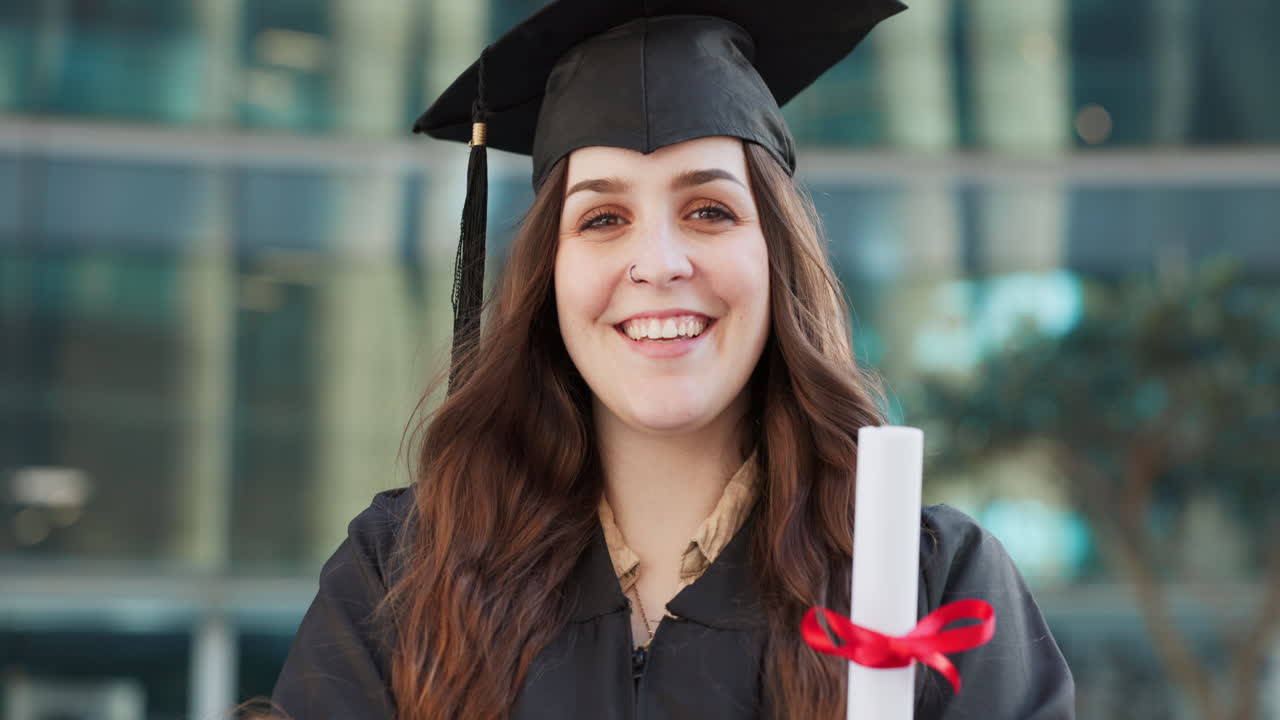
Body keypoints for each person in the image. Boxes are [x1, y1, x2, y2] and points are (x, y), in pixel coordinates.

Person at [272, 1, 1076, 718]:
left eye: (709, 210)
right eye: (602, 219)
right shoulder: (404, 577)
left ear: (777, 259)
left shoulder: (925, 585)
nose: (658, 262)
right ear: (546, 276)